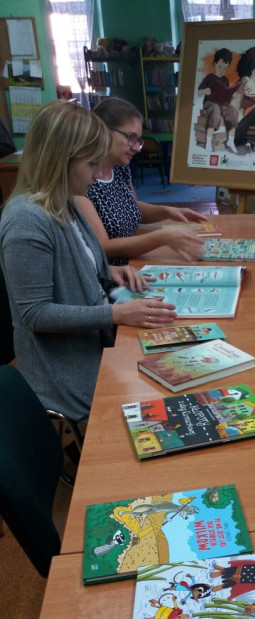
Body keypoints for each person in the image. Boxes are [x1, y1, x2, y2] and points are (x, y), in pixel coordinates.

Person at [0, 100, 178, 423]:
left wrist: (111, 271)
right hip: (66, 371)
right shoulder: (26, 221)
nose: (98, 175)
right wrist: (116, 313)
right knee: (161, 403)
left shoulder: (63, 201)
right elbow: (36, 313)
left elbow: (76, 264)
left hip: (95, 340)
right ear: (61, 161)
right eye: (91, 164)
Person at [74, 97, 207, 265]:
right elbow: (103, 247)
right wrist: (162, 237)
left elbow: (130, 208)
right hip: (113, 275)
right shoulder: (82, 181)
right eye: (131, 137)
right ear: (104, 131)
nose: (137, 147)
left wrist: (167, 211)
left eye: (138, 140)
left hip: (135, 263)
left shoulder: (120, 168)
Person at [197, 47, 239, 151]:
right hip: (210, 102)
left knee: (233, 111)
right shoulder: (209, 77)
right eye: (220, 67)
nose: (222, 70)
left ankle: (231, 140)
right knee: (215, 110)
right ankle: (208, 140)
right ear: (215, 64)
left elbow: (226, 92)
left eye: (225, 68)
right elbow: (199, 92)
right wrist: (205, 91)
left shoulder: (225, 79)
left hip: (223, 102)